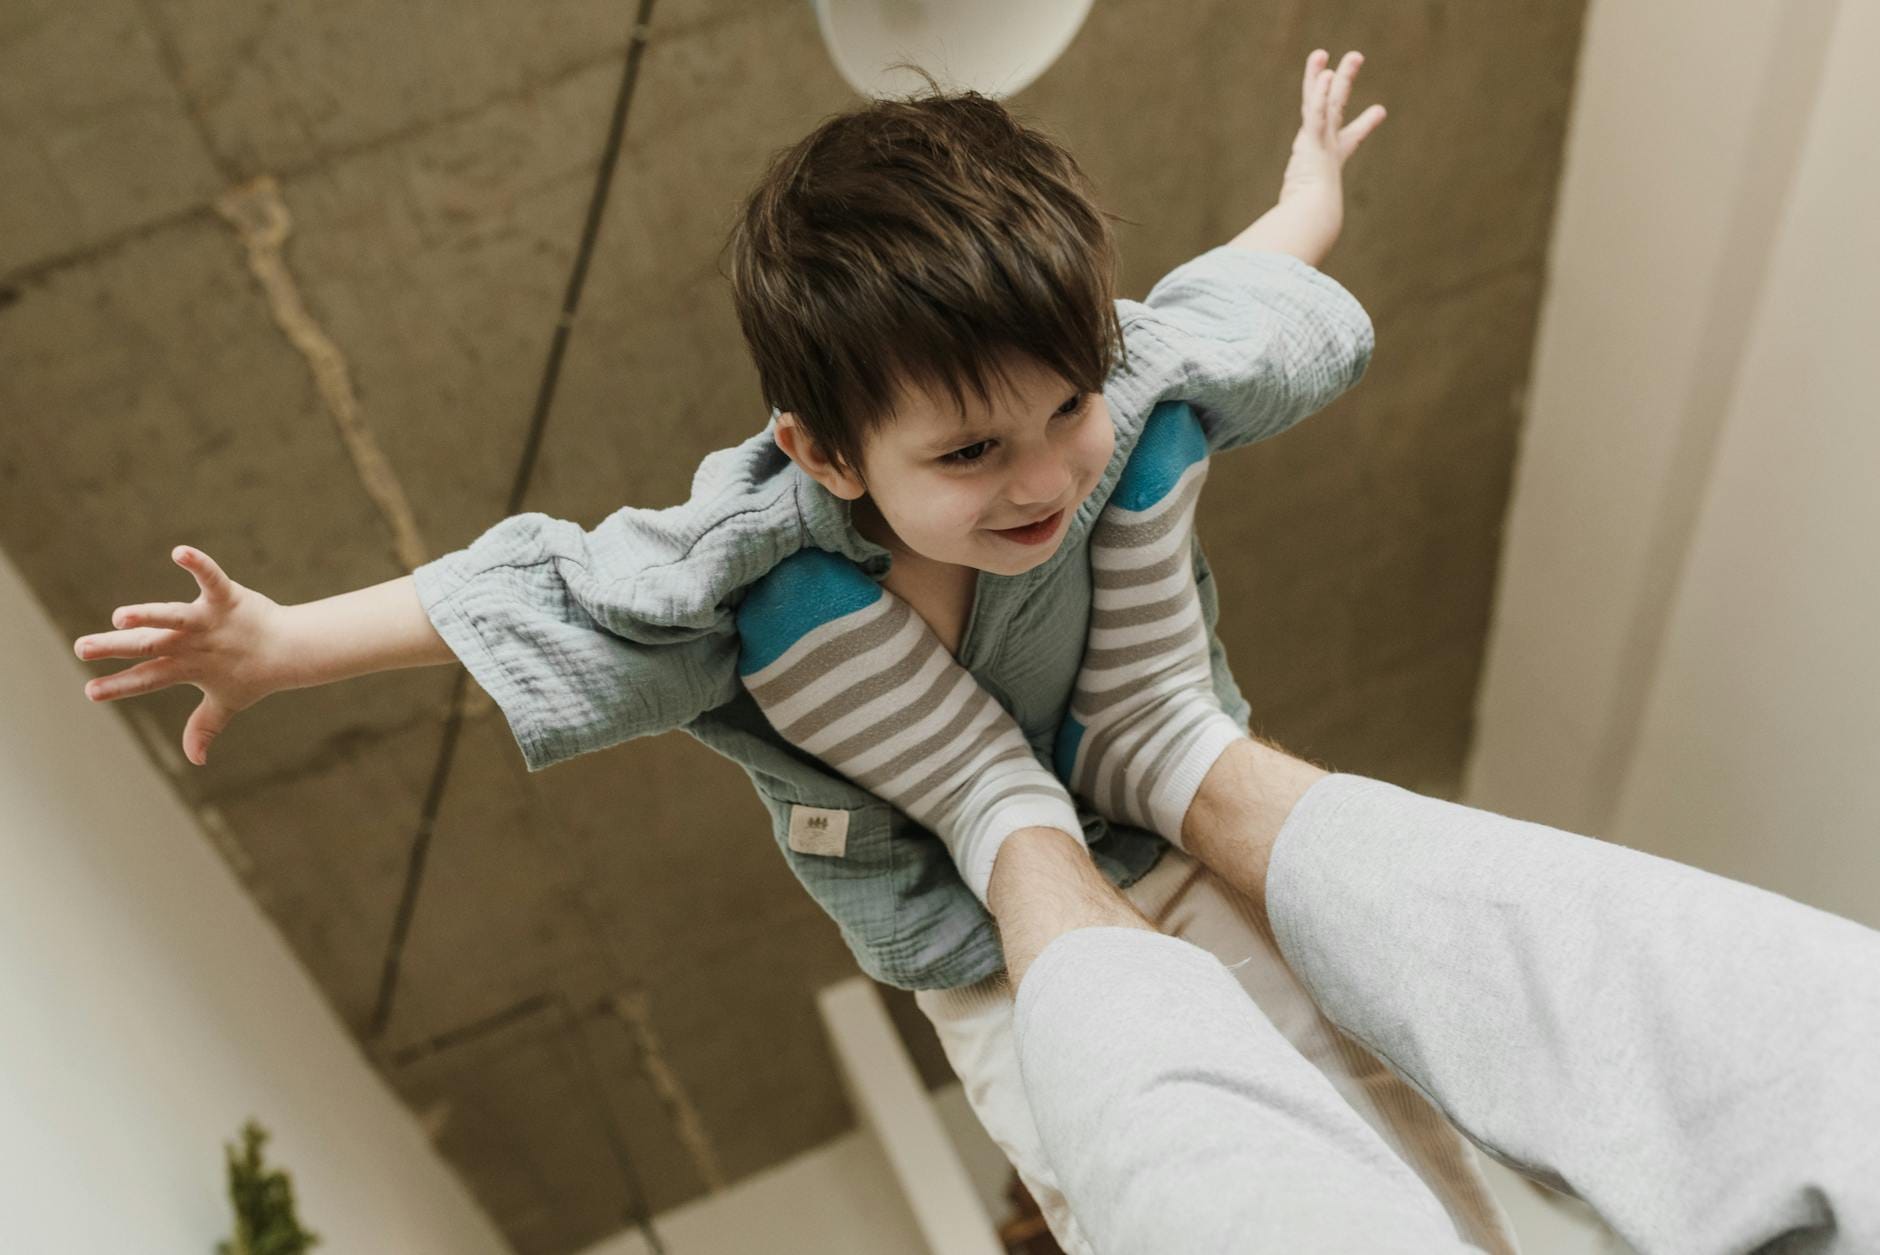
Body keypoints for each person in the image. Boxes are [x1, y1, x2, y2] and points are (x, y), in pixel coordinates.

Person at [74, 48, 1527, 1251]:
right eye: (968, 452)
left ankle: (1143, 733)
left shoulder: (1126, 380)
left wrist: (1310, 190)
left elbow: (1231, 300)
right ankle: (997, 797)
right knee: (1146, 1156)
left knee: (1384, 1074)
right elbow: (547, 597)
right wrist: (276, 644)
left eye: (1063, 413)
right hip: (980, 942)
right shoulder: (746, 558)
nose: (1037, 482)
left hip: (1184, 828)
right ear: (825, 451)